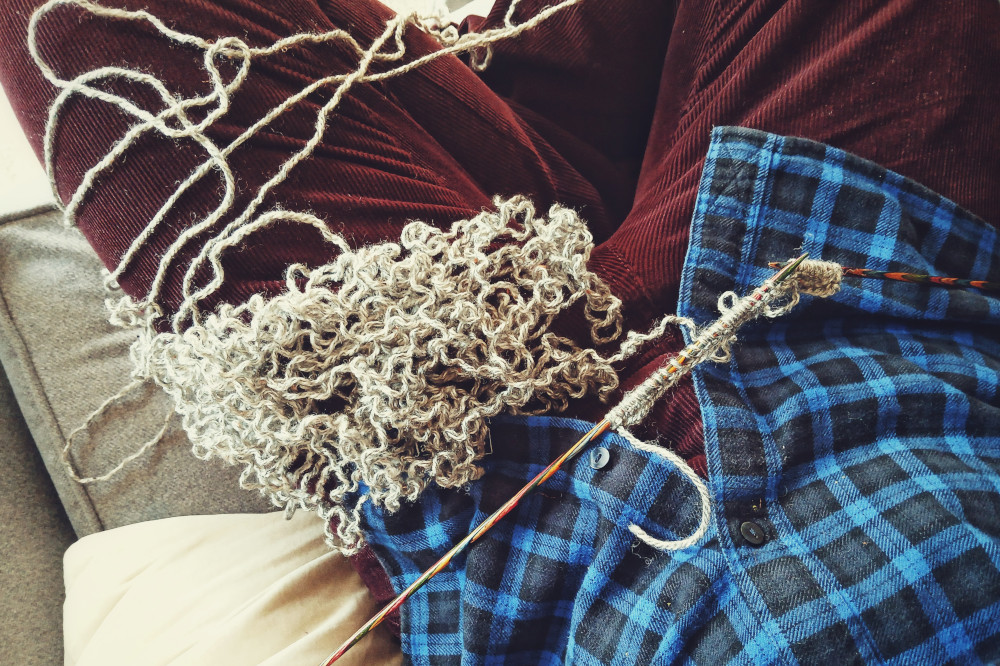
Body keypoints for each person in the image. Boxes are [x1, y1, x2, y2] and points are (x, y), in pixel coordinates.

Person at [1, 0, 998, 662]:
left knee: (68, 20)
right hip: (853, 287)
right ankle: (557, 146)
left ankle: (537, 151)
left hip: (476, 438)